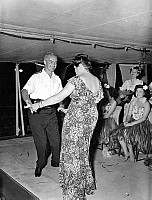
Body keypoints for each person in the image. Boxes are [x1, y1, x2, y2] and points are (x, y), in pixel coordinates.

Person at [27, 54, 104, 199]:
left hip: (76, 122)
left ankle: (74, 192)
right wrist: (69, 109)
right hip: (90, 119)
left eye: (74, 68)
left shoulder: (77, 80)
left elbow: (58, 97)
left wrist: (39, 104)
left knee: (71, 153)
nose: (74, 71)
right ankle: (85, 184)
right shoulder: (96, 81)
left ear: (79, 66)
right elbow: (89, 103)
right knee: (82, 151)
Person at [21, 52, 63, 177]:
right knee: (42, 144)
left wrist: (61, 105)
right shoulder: (36, 77)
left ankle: (56, 162)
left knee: (56, 141)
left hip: (51, 113)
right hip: (37, 113)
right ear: (45, 62)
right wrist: (28, 101)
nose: (53, 64)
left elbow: (60, 95)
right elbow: (25, 90)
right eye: (51, 61)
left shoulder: (57, 79)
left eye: (55, 62)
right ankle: (40, 165)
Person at [110, 84, 151, 162]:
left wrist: (131, 124)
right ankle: (126, 153)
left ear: (144, 93)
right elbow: (129, 114)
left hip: (141, 124)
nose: (138, 93)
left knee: (127, 135)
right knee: (120, 134)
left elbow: (143, 118)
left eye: (140, 92)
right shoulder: (133, 102)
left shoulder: (146, 104)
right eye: (137, 91)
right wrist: (127, 121)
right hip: (132, 120)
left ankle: (131, 153)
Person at [98, 84, 118, 158]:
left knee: (105, 129)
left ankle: (108, 147)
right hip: (102, 118)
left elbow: (108, 115)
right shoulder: (103, 101)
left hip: (109, 120)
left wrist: (99, 118)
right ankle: (103, 147)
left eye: (106, 92)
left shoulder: (113, 102)